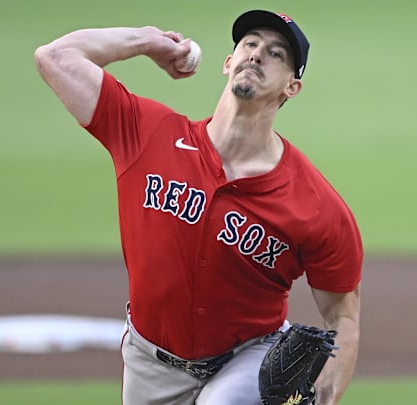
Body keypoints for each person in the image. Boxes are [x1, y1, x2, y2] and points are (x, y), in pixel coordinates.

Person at [35, 9, 363, 405]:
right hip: (147, 363)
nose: (258, 55)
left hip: (247, 358)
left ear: (291, 87)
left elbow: (343, 318)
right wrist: (145, 40)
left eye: (276, 54)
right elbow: (55, 57)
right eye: (250, 44)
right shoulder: (149, 134)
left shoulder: (314, 204)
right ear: (229, 63)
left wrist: (324, 400)